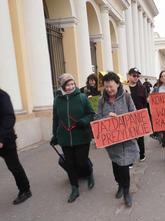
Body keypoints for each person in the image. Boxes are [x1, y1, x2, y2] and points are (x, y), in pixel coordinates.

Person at [96, 72, 139, 207]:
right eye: (106, 87)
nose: (109, 89)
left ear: (118, 84)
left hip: (126, 140)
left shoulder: (126, 97)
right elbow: (96, 119)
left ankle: (126, 192)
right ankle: (119, 184)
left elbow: (134, 113)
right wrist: (106, 118)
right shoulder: (101, 101)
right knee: (116, 165)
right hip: (111, 141)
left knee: (124, 166)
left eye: (111, 86)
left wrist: (121, 118)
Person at [51, 73, 95, 203]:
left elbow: (91, 114)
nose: (70, 87)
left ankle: (89, 173)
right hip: (65, 137)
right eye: (67, 85)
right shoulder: (57, 100)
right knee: (70, 164)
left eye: (72, 84)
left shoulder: (82, 97)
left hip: (81, 135)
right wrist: (55, 135)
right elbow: (56, 119)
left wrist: (84, 121)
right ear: (62, 86)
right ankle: (74, 187)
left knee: (81, 161)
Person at [0, 89, 32, 205]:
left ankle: (25, 190)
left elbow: (9, 118)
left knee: (14, 166)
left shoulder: (2, 96)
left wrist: (1, 139)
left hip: (5, 140)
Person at [127, 67, 148, 162]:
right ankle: (131, 158)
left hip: (139, 116)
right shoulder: (123, 88)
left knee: (140, 137)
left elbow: (145, 102)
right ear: (129, 76)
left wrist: (145, 115)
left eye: (137, 76)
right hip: (127, 116)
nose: (136, 77)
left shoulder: (142, 88)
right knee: (129, 138)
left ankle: (141, 154)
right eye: (134, 75)